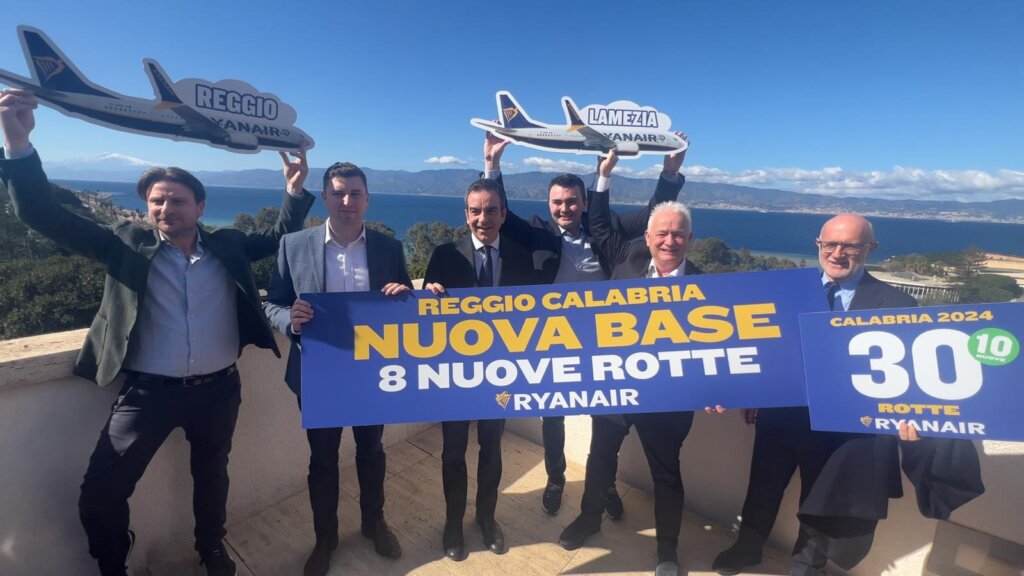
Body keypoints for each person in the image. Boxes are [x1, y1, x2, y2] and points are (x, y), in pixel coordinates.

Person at [0, 87, 314, 576]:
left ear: (201, 206)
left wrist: (293, 190)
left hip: (219, 390)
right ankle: (114, 564)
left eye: (177, 200)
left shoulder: (227, 245)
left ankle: (211, 548)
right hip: (148, 394)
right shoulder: (125, 245)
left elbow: (279, 239)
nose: (166, 209)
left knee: (212, 476)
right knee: (101, 491)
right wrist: (17, 144)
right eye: (157, 201)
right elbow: (44, 215)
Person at [711, 214, 986, 576]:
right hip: (782, 414)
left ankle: (807, 567)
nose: (837, 253)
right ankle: (748, 547)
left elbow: (911, 374)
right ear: (818, 245)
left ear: (870, 248)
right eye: (830, 244)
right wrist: (754, 393)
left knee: (821, 503)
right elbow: (764, 349)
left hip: (843, 430)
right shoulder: (785, 294)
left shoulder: (898, 304)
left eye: (850, 246)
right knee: (762, 485)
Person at [482, 132, 689, 515]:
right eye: (557, 202)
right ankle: (555, 478)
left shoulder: (605, 228)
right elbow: (500, 217)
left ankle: (604, 484)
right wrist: (492, 166)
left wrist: (670, 174)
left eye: (572, 201)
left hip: (603, 344)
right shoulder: (537, 231)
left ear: (584, 202)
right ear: (549, 204)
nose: (565, 208)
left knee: (604, 419)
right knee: (553, 415)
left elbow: (655, 214)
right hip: (551, 341)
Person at [560, 188, 721, 576]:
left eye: (678, 234)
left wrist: (717, 387)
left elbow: (720, 347)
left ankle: (667, 550)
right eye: (661, 233)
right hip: (618, 388)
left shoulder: (708, 287)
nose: (669, 241)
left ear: (690, 239)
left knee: (666, 473)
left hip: (670, 399)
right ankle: (589, 518)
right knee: (601, 455)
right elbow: (599, 227)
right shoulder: (628, 261)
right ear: (647, 238)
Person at [262, 161, 411, 576]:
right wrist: (289, 320)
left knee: (372, 452)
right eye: (339, 193)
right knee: (323, 460)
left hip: (371, 373)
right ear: (325, 197)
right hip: (319, 374)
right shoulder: (293, 245)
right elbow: (272, 304)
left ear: (367, 199)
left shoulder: (389, 248)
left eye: (355, 193)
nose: (347, 201)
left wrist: (403, 295)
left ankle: (374, 524)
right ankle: (324, 538)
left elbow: (404, 306)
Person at [422, 178, 540, 561]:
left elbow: (534, 314)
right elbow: (423, 317)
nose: (483, 218)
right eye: (475, 211)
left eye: (491, 210)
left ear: (504, 214)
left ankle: (487, 519)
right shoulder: (444, 255)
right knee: (453, 453)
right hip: (455, 376)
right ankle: (453, 524)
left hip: (500, 376)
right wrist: (428, 297)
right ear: (466, 214)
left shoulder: (521, 256)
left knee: (492, 448)